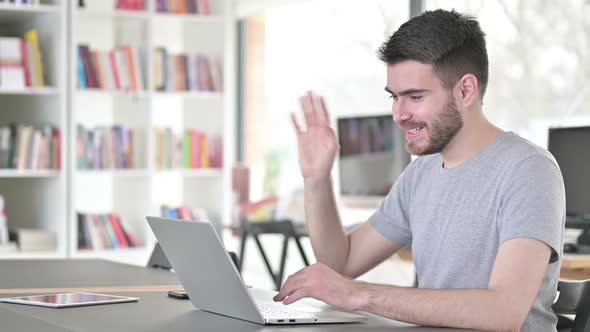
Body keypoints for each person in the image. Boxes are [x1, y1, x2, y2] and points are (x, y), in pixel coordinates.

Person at [272, 9, 565, 332]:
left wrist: (358, 295)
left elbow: (503, 312)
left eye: (414, 97)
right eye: (394, 97)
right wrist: (316, 179)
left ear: (466, 90)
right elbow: (341, 262)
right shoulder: (420, 174)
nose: (398, 114)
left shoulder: (528, 170)